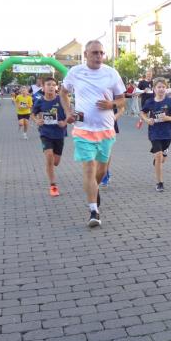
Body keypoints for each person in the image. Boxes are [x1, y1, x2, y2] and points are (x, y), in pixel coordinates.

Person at [61, 40, 126, 228]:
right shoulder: (75, 72)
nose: (99, 56)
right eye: (95, 53)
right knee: (89, 167)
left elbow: (122, 100)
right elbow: (63, 93)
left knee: (102, 171)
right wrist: (68, 112)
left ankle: (94, 189)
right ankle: (93, 211)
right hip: (83, 129)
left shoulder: (111, 73)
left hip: (106, 129)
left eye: (101, 53)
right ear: (86, 54)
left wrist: (111, 104)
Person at [140, 78, 171, 192]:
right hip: (154, 133)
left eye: (163, 87)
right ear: (154, 89)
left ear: (166, 89)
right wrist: (147, 120)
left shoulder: (170, 101)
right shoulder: (150, 102)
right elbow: (142, 113)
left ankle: (160, 158)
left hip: (167, 134)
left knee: (162, 159)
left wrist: (168, 118)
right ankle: (160, 183)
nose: (161, 89)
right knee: (158, 156)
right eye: (159, 87)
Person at [32, 77, 68, 197]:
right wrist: (37, 120)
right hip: (45, 133)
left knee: (55, 162)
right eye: (48, 84)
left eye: (53, 85)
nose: (51, 87)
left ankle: (50, 166)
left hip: (59, 134)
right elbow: (32, 114)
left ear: (56, 87)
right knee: (49, 156)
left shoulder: (61, 99)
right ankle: (53, 186)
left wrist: (65, 122)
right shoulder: (40, 101)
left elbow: (70, 114)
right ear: (43, 87)